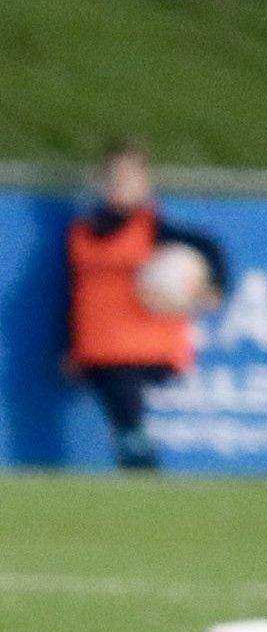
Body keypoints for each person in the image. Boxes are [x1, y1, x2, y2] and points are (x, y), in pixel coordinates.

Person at [63, 142, 229, 472]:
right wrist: (67, 344)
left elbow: (209, 249)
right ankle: (135, 457)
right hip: (96, 346)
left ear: (145, 183)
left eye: (129, 177)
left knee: (125, 403)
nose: (119, 184)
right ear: (100, 181)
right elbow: (74, 294)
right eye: (113, 176)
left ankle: (140, 461)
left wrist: (215, 287)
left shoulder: (155, 229)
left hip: (141, 345)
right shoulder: (82, 233)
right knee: (119, 408)